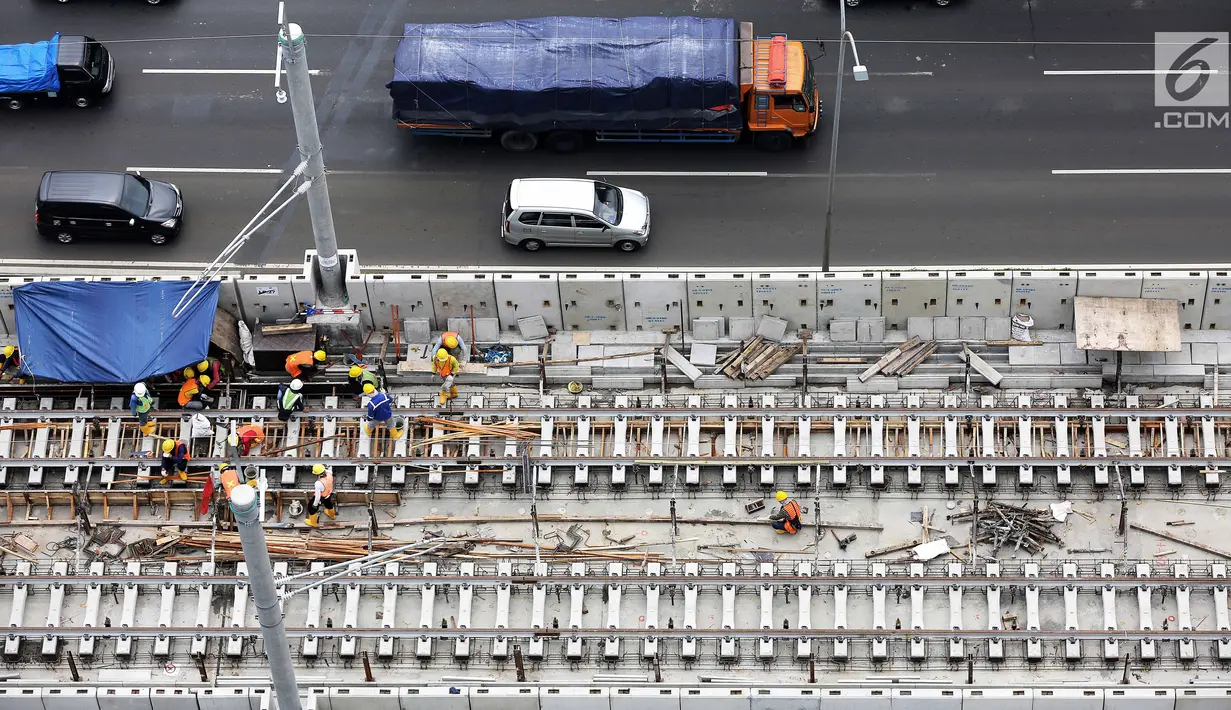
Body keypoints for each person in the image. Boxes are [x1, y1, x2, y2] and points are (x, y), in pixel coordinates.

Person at [305, 463, 336, 527]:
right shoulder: (330, 473)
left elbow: (317, 497)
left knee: (311, 509)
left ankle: (313, 523)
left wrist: (314, 505)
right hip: (328, 494)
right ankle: (332, 515)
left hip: (322, 497)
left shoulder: (318, 483)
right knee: (329, 504)